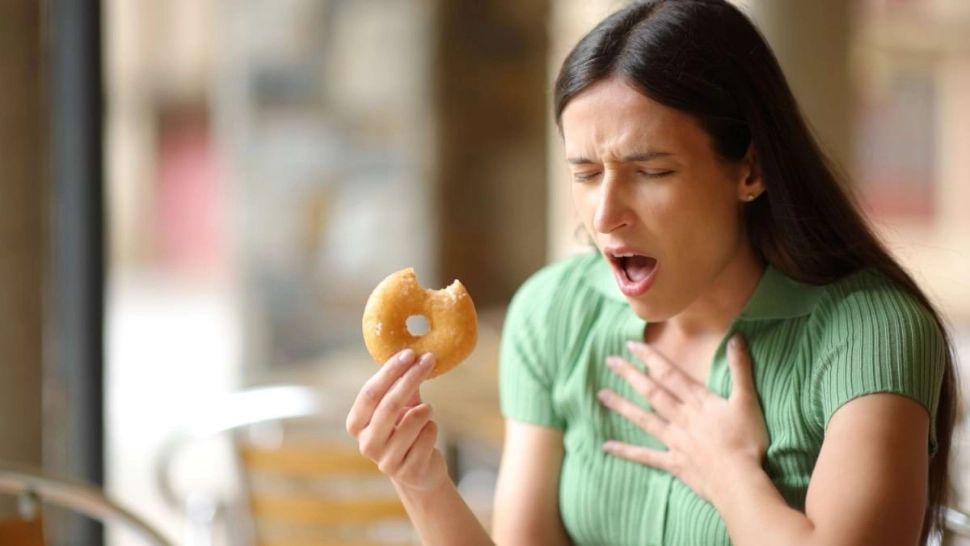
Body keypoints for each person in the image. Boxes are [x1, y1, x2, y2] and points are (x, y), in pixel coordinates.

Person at [345, 1, 960, 544]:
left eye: (652, 171)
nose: (606, 215)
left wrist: (729, 473)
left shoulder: (871, 334)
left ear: (749, 169)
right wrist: (421, 480)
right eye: (586, 173)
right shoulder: (554, 313)